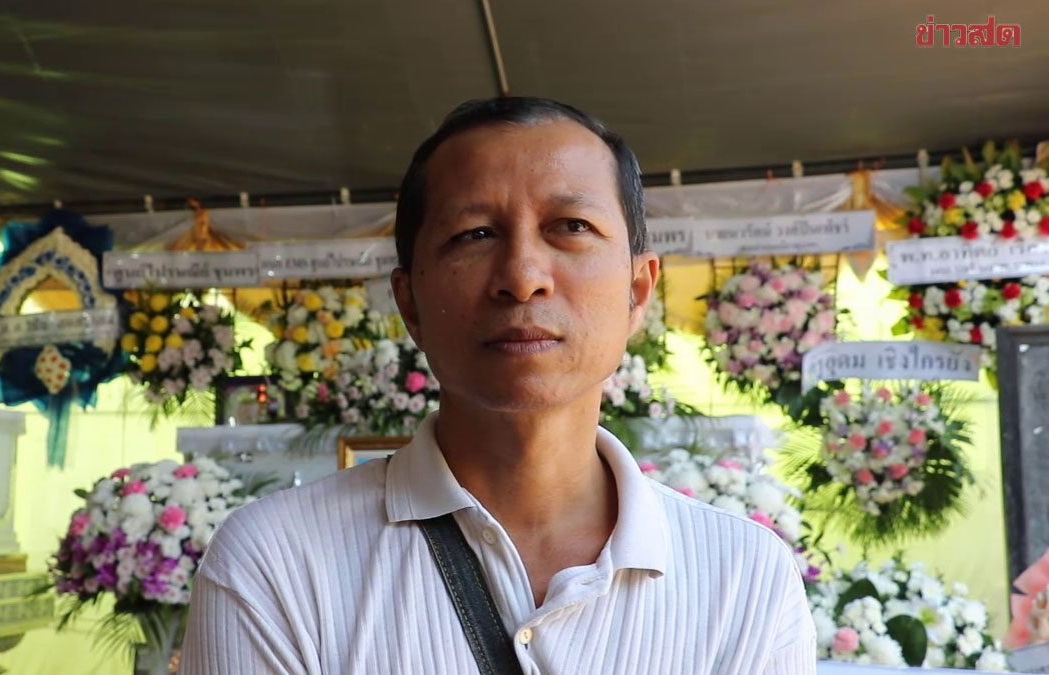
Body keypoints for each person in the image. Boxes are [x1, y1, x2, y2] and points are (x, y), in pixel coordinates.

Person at [180, 97, 816, 674]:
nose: (523, 276)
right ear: (410, 303)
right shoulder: (276, 564)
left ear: (638, 289)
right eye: (475, 234)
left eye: (571, 226)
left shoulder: (744, 580)